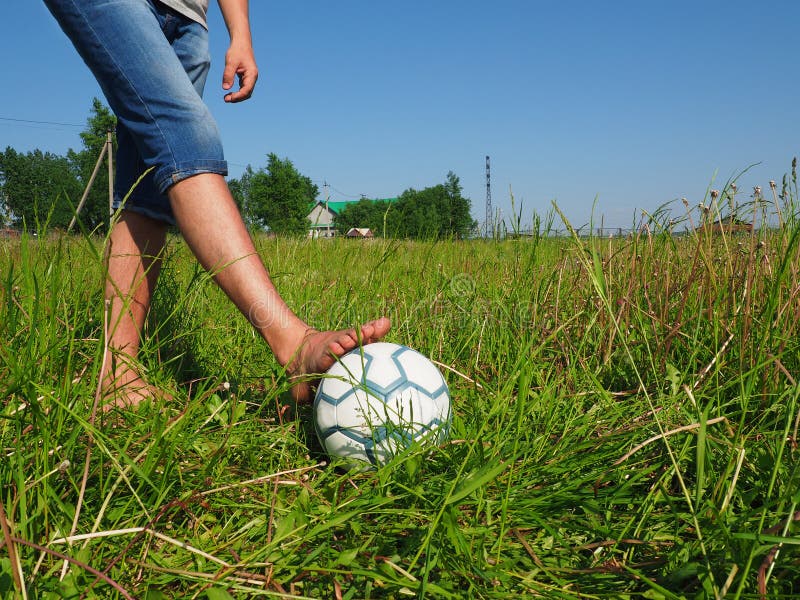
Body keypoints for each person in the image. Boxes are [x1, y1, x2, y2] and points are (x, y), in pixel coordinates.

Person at [43, 0, 391, 408]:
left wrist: (240, 34)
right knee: (186, 132)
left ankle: (117, 376)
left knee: (148, 189)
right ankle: (294, 343)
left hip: (189, 18)